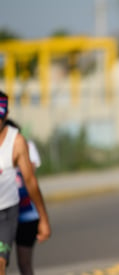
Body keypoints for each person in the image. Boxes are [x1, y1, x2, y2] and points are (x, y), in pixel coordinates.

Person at [0, 91, 51, 275]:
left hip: (14, 212)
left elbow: (30, 180)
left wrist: (43, 218)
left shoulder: (18, 143)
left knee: (21, 264)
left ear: (5, 116)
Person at [6, 119, 43, 275]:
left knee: (24, 263)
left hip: (26, 214)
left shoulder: (26, 146)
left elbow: (30, 177)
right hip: (5, 216)